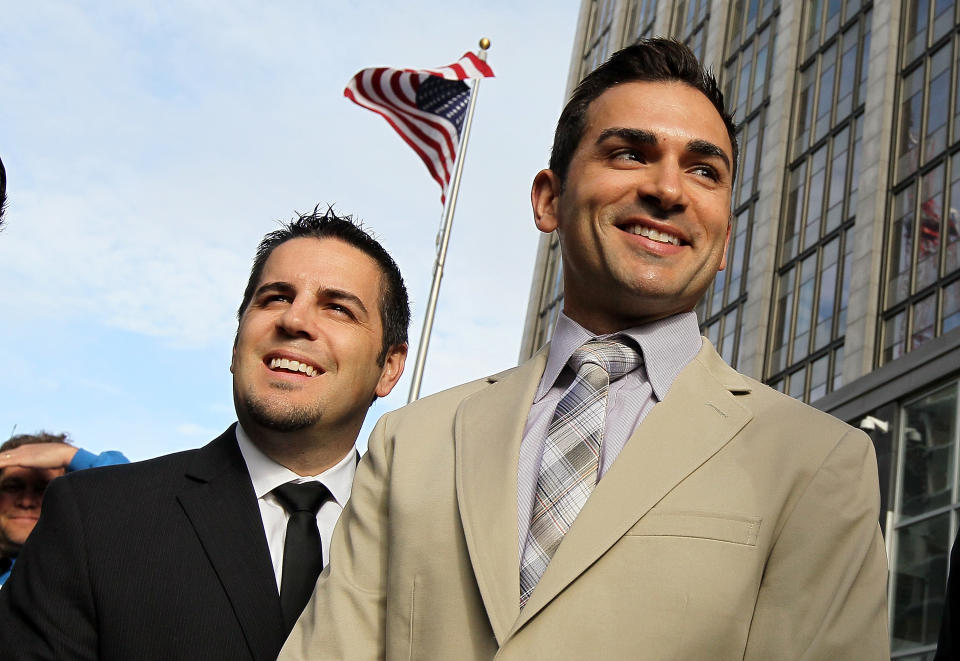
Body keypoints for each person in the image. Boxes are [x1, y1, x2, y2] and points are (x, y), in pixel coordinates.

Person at [281, 40, 889, 660]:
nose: (669, 190)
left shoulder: (819, 462)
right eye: (630, 153)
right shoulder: (409, 443)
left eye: (704, 170)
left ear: (725, 237)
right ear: (549, 199)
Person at [0, 207, 409, 660]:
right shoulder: (94, 518)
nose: (294, 320)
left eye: (337, 307)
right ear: (236, 344)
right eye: (274, 297)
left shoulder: (427, 539)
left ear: (388, 366)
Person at [0, 432, 127, 586]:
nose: (26, 502)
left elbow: (132, 496)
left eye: (43, 489)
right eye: (13, 487)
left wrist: (70, 456)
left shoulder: (84, 571)